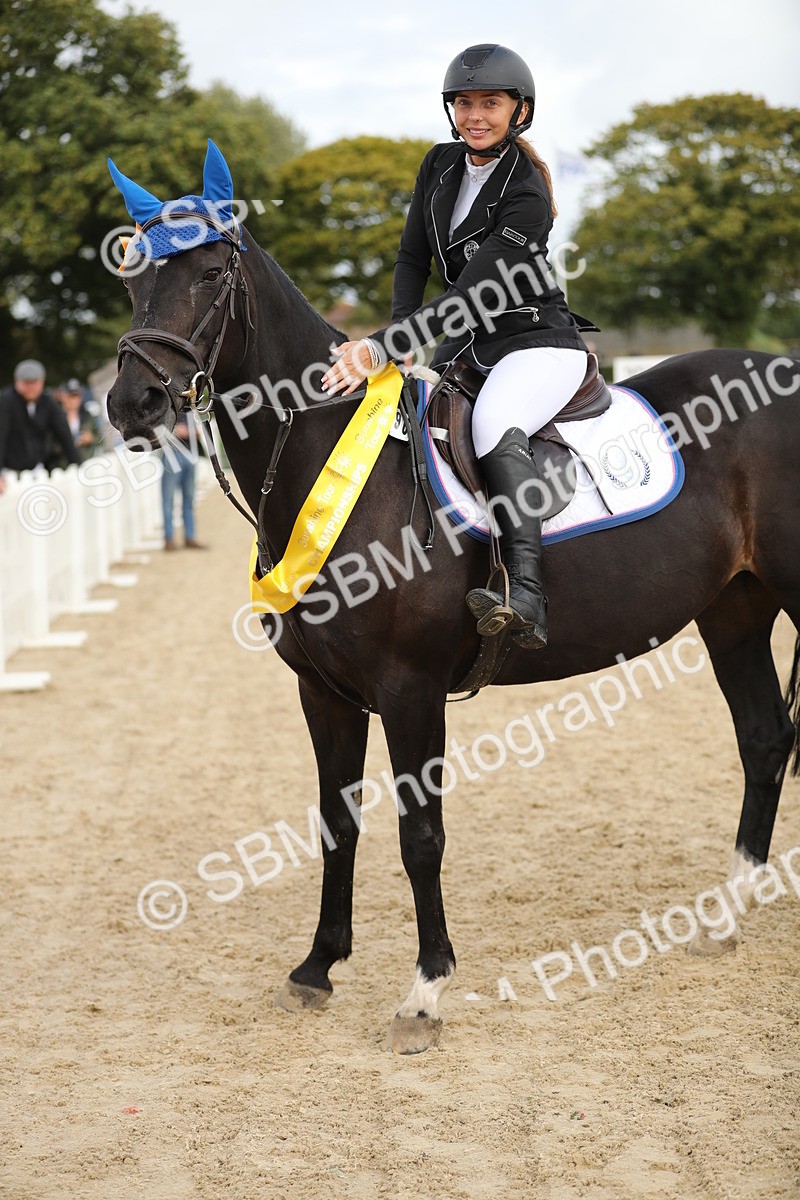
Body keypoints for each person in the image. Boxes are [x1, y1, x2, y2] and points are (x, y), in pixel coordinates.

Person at [322, 44, 597, 649]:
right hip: (466, 344)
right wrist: (400, 336)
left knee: (494, 421)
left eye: (490, 103)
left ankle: (525, 591)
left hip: (536, 343)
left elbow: (473, 294)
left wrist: (380, 346)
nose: (475, 116)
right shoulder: (439, 165)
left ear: (520, 111)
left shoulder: (527, 194)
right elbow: (411, 258)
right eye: (464, 103)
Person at [0, 360, 80, 494]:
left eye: (34, 383)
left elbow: (64, 435)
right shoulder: (5, 402)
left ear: (42, 382)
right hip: (9, 474)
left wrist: (78, 465)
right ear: (17, 382)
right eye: (26, 383)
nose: (31, 388)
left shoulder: (48, 402)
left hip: (38, 471)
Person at [160, 409, 206, 551]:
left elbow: (196, 431)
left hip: (189, 455)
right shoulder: (164, 407)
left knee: (189, 499)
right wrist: (175, 432)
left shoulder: (188, 409)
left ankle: (189, 537)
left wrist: (189, 432)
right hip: (172, 455)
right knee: (168, 501)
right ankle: (169, 539)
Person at [53, 378, 100, 466]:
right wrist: (65, 443)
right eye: (70, 395)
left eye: (76, 396)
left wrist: (91, 439)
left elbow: (101, 439)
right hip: (65, 467)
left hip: (87, 464)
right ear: (63, 396)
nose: (73, 400)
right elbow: (48, 446)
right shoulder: (55, 418)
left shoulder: (88, 416)